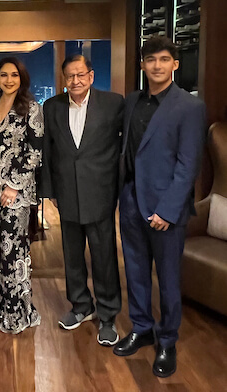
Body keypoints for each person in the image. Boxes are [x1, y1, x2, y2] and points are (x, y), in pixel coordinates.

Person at [113, 37, 206, 378]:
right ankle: (142, 328)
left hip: (167, 209)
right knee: (135, 272)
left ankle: (167, 340)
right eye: (150, 59)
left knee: (167, 279)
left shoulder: (190, 107)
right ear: (142, 65)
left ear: (175, 65)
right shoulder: (132, 101)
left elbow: (188, 164)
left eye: (164, 59)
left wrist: (168, 210)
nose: (156, 65)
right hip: (132, 201)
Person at [41, 55, 124, 346]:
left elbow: (123, 147)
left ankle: (108, 314)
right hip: (66, 192)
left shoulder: (113, 104)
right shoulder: (52, 107)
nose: (75, 81)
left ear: (90, 76)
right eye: (69, 76)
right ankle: (80, 306)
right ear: (64, 80)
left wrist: (120, 186)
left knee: (103, 257)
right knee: (72, 256)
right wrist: (49, 191)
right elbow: (47, 151)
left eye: (80, 75)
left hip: (100, 192)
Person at [0, 57, 43, 333]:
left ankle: (17, 312)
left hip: (15, 192)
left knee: (12, 250)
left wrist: (14, 185)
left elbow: (35, 154)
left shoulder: (31, 108)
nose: (8, 80)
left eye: (14, 75)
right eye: (3, 75)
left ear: (22, 78)